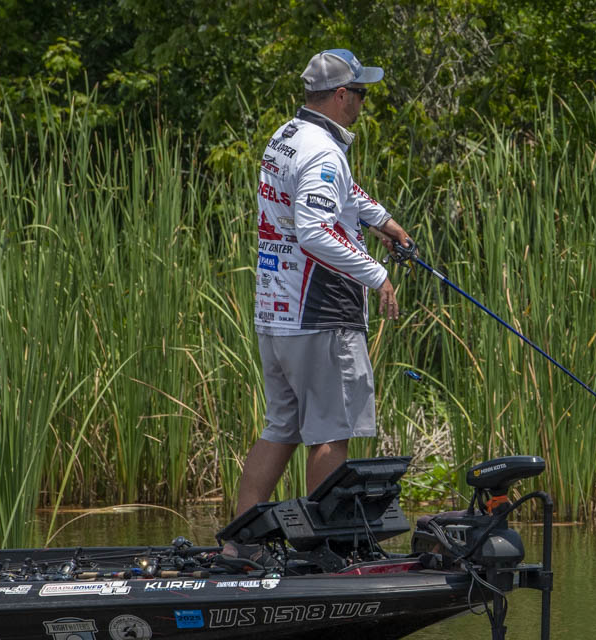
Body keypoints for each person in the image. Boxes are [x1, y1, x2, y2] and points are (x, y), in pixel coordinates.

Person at [223, 48, 413, 560]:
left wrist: (382, 221)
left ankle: (240, 545)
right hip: (321, 314)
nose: (364, 103)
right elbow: (314, 229)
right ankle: (324, 550)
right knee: (332, 431)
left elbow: (339, 193)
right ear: (341, 95)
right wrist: (376, 275)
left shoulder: (287, 136)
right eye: (362, 94)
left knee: (281, 427)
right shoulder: (324, 151)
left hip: (277, 314)